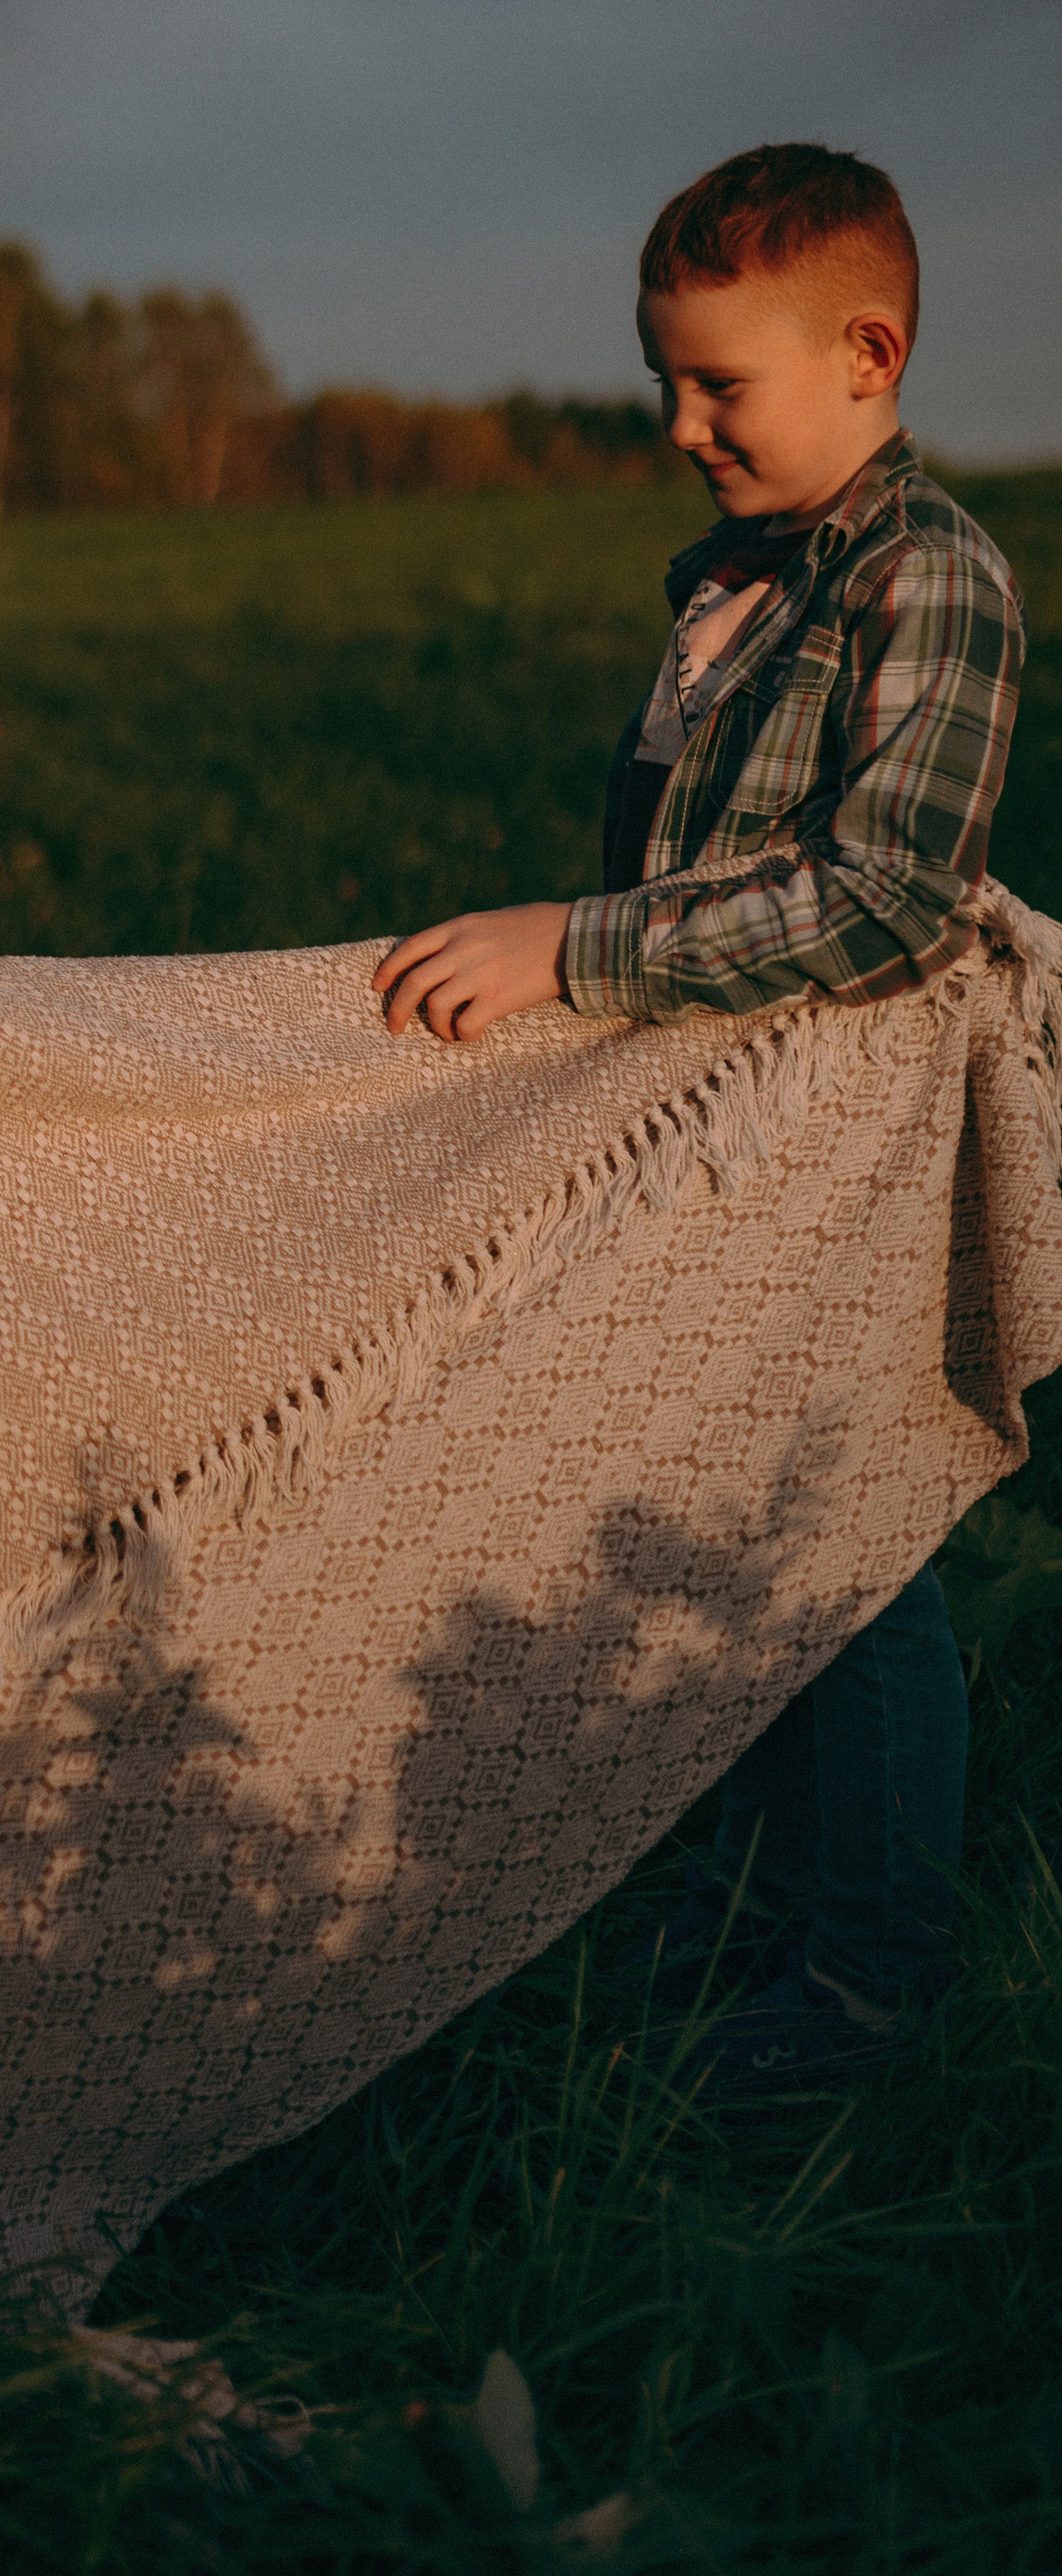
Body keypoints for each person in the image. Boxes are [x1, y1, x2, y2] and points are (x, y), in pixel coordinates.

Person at [373, 141, 1026, 2089]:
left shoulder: (931, 579)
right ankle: (714, 1891)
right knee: (689, 1508)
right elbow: (679, 860)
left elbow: (886, 888)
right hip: (706, 1128)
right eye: (664, 379)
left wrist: (570, 951)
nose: (675, 423)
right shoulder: (731, 586)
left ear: (865, 351)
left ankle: (865, 1971)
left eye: (715, 385)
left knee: (849, 1545)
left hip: (845, 1146)